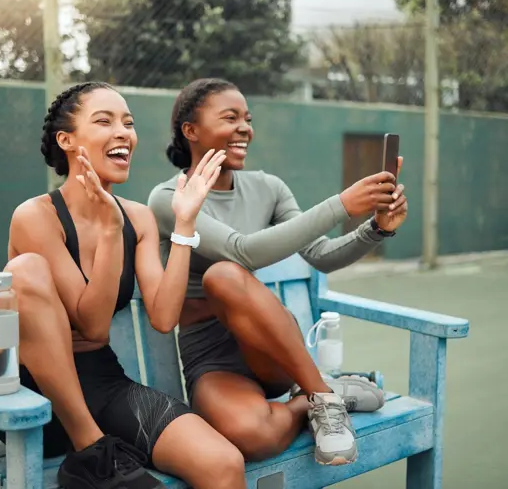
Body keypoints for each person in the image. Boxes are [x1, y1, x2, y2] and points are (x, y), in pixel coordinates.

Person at [148, 78, 409, 467]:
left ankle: (321, 398)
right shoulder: (170, 198)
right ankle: (317, 396)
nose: (244, 128)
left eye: (248, 119)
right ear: (191, 131)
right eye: (230, 117)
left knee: (222, 276)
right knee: (255, 438)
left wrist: (377, 228)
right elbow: (243, 251)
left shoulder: (268, 187)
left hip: (271, 349)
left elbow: (321, 255)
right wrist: (341, 204)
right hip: (211, 357)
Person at [0, 81, 247, 489]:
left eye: (128, 123)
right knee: (25, 269)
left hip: (103, 382)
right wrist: (111, 233)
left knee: (223, 464)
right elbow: (92, 323)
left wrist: (184, 225)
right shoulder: (35, 217)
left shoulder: (138, 217)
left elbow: (164, 317)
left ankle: (96, 452)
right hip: (36, 402)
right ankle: (92, 451)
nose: (123, 133)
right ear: (66, 140)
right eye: (104, 121)